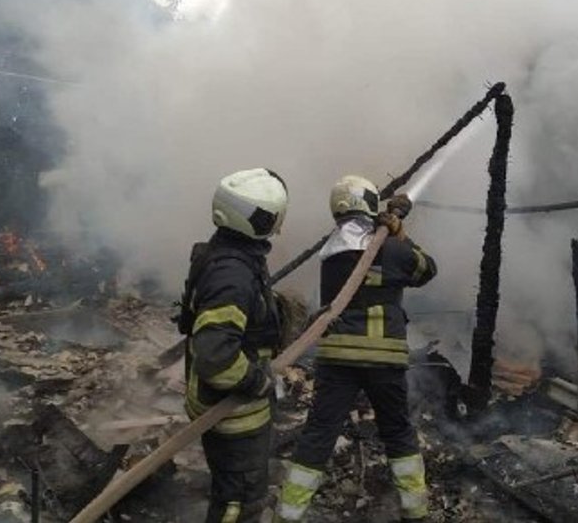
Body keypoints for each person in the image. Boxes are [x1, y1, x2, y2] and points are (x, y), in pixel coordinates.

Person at [274, 175, 437, 522]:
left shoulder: (331, 251)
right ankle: (416, 512)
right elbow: (426, 270)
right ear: (370, 203)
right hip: (384, 358)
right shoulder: (391, 248)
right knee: (398, 432)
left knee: (319, 433)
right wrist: (400, 234)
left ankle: (288, 514)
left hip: (337, 358)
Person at [180, 167, 288, 523]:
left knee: (232, 495)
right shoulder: (233, 275)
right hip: (235, 414)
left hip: (226, 408)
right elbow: (215, 354)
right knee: (240, 505)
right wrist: (257, 381)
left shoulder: (226, 255)